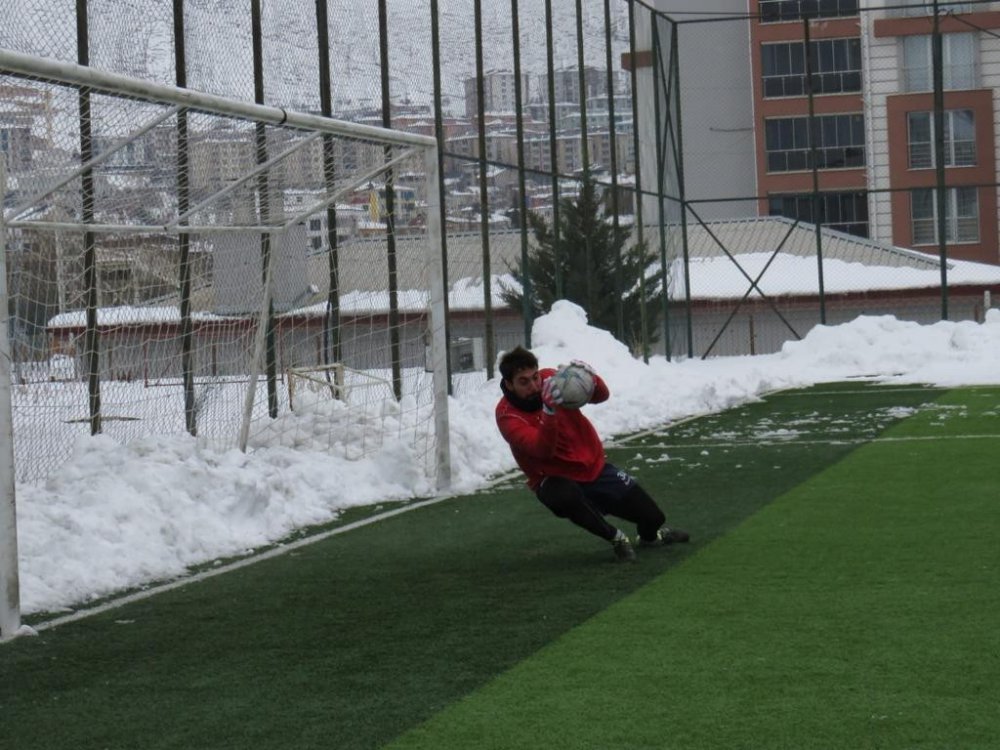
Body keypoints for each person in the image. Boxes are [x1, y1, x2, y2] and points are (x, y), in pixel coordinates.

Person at [495, 345, 689, 562]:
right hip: (553, 478)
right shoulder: (507, 417)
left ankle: (651, 538)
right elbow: (543, 450)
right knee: (563, 494)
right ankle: (616, 538)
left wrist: (591, 378)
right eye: (524, 381)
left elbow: (601, 396)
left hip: (593, 468)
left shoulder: (552, 379)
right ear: (509, 384)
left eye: (535, 377)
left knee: (654, 517)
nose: (534, 385)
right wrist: (549, 412)